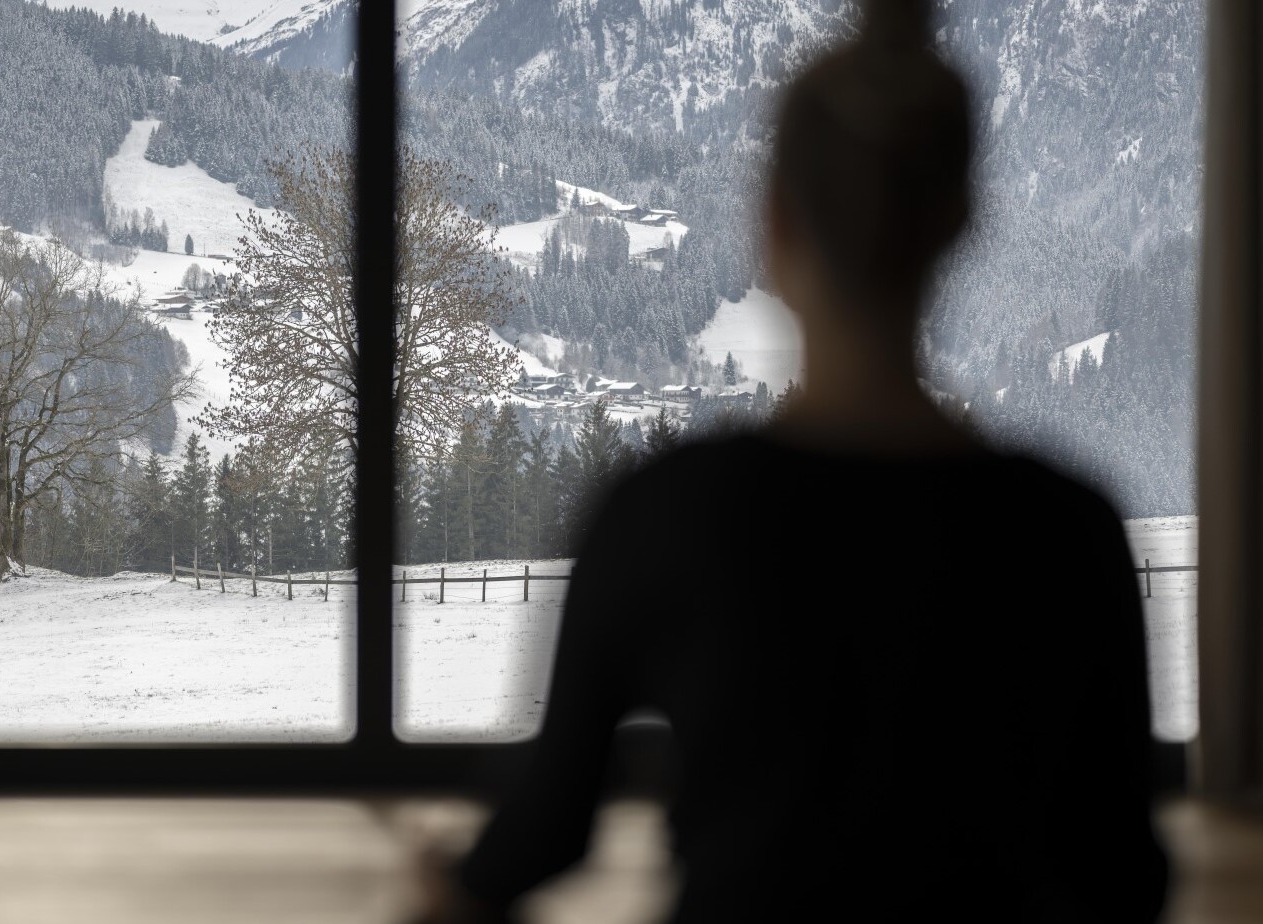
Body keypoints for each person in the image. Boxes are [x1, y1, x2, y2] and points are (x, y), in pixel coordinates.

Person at [416, 0, 1169, 920]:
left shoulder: (667, 513)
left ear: (773, 224)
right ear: (960, 221)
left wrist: (442, 886)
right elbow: (1124, 875)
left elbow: (543, 834)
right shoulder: (1066, 532)